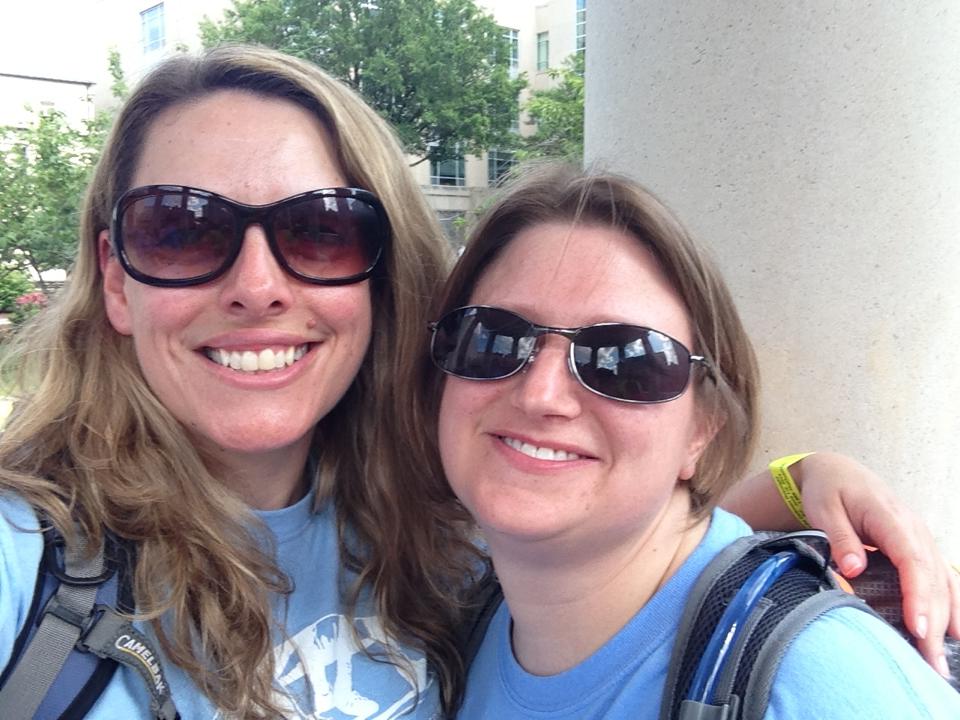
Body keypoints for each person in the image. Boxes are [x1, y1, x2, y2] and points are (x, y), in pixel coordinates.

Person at [0, 46, 955, 719]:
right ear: (118, 279)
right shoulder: (25, 567)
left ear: (380, 281)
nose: (257, 285)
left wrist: (797, 482)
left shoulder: (437, 535)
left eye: (320, 229)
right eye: (183, 228)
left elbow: (612, 549)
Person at [422, 163, 960, 718]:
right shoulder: (457, 614)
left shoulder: (817, 680)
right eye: (495, 339)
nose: (541, 395)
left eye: (624, 360)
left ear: (703, 427)